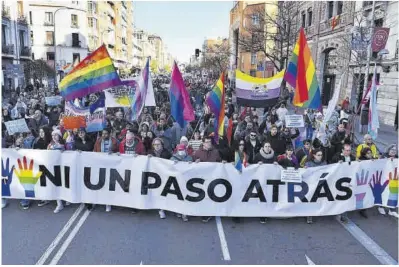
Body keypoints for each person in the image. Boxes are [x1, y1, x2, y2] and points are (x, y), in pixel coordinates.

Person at [193, 136, 221, 223]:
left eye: (210, 142)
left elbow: (219, 162)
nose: (209, 143)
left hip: (212, 178)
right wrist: (195, 163)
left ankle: (208, 213)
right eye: (207, 142)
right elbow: (191, 165)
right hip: (201, 179)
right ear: (203, 143)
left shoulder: (216, 152)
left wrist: (223, 163)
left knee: (211, 195)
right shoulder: (197, 153)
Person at [93, 128, 118, 212]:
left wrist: (115, 153)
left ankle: (108, 203)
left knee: (109, 184)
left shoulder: (115, 141)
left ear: (109, 134)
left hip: (112, 165)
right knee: (100, 183)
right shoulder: (98, 141)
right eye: (103, 134)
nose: (104, 135)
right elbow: (95, 152)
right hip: (101, 165)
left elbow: (119, 152)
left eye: (106, 134)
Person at [149, 138, 172, 219]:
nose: (157, 146)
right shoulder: (150, 153)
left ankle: (161, 209)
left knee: (162, 193)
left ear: (162, 145)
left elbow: (171, 162)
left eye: (158, 144)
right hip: (153, 177)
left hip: (164, 176)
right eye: (155, 144)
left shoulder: (167, 153)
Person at [170, 144, 193, 222]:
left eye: (182, 150)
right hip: (177, 180)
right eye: (179, 150)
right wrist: (172, 163)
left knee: (185, 197)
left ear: (185, 150)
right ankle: (179, 211)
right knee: (178, 197)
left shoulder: (189, 157)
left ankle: (184, 213)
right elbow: (169, 167)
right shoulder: (173, 158)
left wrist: (191, 163)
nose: (181, 151)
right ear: (177, 150)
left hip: (186, 181)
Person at [304, 149, 327, 224]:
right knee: (311, 198)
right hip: (311, 185)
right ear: (314, 156)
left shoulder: (324, 163)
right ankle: (309, 215)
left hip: (321, 184)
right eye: (318, 155)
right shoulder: (309, 164)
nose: (320, 156)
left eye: (321, 155)